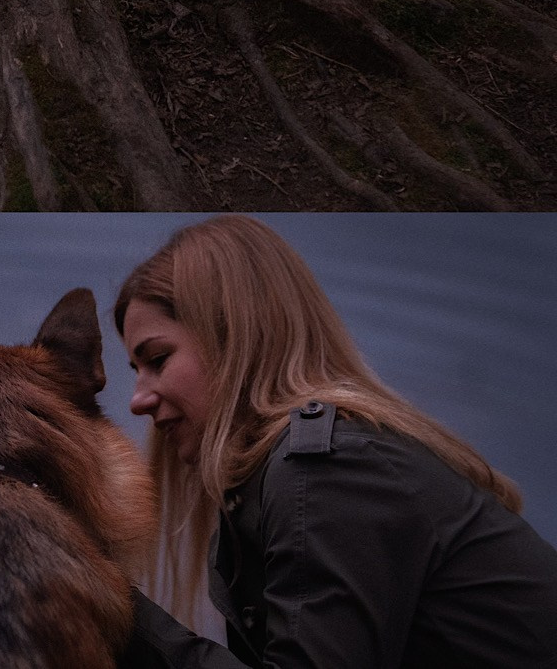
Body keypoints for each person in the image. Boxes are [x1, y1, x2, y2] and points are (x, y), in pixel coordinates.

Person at [113, 214, 557, 668]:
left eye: (158, 359)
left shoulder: (326, 472)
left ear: (236, 338)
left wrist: (108, 611)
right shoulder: (299, 475)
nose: (137, 400)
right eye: (135, 370)